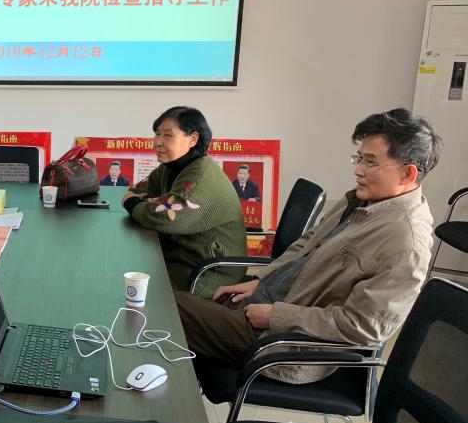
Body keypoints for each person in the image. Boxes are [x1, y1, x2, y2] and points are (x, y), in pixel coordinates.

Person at [175, 108, 440, 384]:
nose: (358, 170)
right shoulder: (361, 201)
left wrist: (276, 316)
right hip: (264, 304)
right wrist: (261, 280)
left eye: (371, 162)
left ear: (407, 174)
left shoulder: (406, 242)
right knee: (165, 304)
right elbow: (305, 247)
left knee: (163, 309)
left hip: (279, 342)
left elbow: (364, 327)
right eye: (360, 158)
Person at [121, 106, 247, 297]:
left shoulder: (200, 176)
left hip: (209, 272)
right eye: (157, 134)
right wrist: (151, 203)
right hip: (181, 256)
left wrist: (136, 204)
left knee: (131, 286)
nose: (157, 142)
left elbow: (163, 217)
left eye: (167, 135)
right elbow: (136, 191)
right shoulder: (171, 167)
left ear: (193, 139)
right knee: (125, 271)